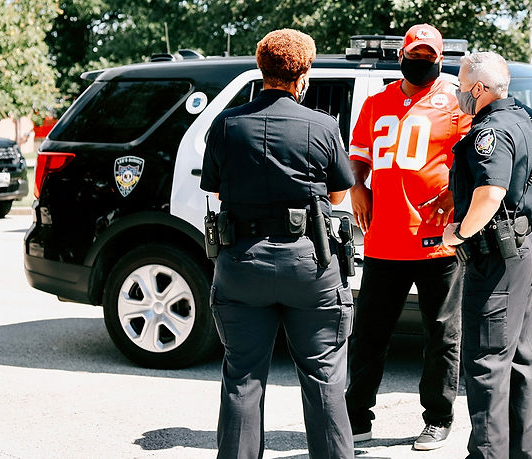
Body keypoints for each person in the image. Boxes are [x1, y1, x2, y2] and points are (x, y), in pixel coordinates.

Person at [200, 28, 355, 459]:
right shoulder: (322, 125)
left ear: (260, 69)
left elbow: (215, 190)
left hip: (242, 263)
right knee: (324, 378)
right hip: (310, 264)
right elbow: (338, 195)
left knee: (242, 378)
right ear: (303, 76)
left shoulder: (227, 124)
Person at [345, 23, 470, 451]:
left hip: (437, 240)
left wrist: (453, 193)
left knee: (442, 336)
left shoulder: (455, 99)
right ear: (401, 55)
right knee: (369, 334)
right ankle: (356, 418)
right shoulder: (376, 102)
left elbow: (473, 160)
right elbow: (358, 155)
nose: (420, 62)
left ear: (440, 59)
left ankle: (438, 418)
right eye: (414, 55)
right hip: (384, 238)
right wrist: (357, 186)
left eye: (428, 57)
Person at [441, 51, 532, 459]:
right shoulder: (526, 121)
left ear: (477, 88)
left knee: (487, 365)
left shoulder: (489, 131)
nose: (457, 94)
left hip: (497, 258)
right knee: (520, 363)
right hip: (523, 250)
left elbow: (491, 192)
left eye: (460, 86)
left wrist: (459, 232)